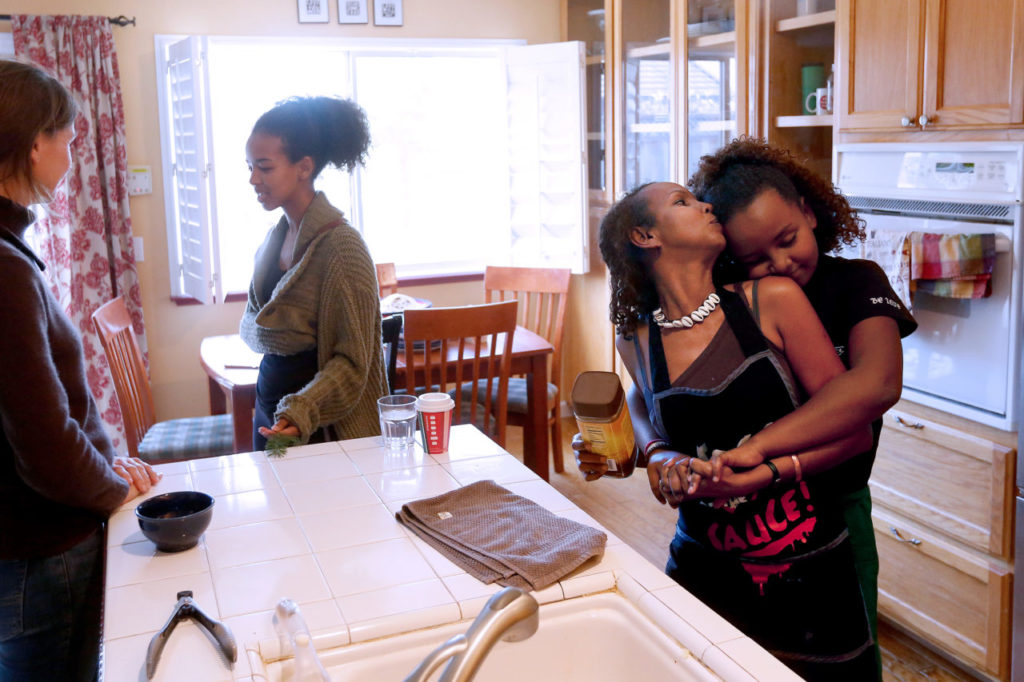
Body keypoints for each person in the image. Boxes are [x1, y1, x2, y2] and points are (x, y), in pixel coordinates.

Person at [579, 138, 917, 669]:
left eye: (787, 240)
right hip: (710, 553)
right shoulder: (680, 317)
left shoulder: (839, 286)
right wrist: (654, 451)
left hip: (830, 513)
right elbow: (649, 401)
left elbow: (871, 395)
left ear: (809, 213)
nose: (779, 264)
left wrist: (759, 457)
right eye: (755, 257)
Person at [0, 59, 161, 681]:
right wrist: (111, 489)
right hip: (40, 549)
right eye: (66, 141)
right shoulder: (5, 270)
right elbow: (42, 443)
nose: (70, 156)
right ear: (34, 142)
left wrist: (101, 466)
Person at [240, 96, 388, 451]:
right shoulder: (274, 240)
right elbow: (256, 323)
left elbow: (354, 362)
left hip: (320, 426)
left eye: (264, 167)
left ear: (303, 167)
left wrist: (301, 412)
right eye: (249, 166)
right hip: (272, 417)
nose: (252, 179)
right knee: (277, 506)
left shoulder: (342, 249)